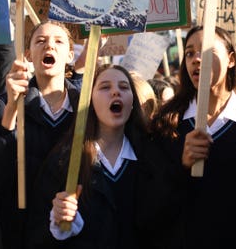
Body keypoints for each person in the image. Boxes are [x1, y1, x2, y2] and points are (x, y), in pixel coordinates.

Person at [150, 25, 236, 249]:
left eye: (206, 50)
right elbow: (149, 205)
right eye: (190, 53)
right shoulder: (166, 124)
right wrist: (181, 167)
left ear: (231, 59)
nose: (195, 59)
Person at [26, 64, 180, 248]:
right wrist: (58, 225)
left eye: (124, 87)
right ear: (89, 101)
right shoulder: (64, 161)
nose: (116, 92)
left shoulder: (153, 159)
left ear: (132, 102)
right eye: (105, 87)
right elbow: (34, 234)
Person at [0, 20, 81, 249]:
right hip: (24, 231)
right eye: (40, 41)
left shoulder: (86, 108)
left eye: (59, 41)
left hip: (77, 229)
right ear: (28, 54)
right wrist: (11, 111)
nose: (50, 46)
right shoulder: (6, 103)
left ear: (69, 54)